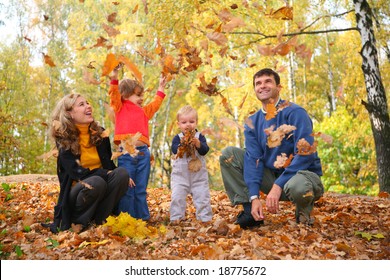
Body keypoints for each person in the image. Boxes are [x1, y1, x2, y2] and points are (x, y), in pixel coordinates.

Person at [219, 68, 324, 229]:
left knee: (298, 186)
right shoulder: (252, 122)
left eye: (268, 81)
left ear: (278, 87)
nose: (262, 86)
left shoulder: (295, 112)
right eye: (258, 83)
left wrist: (278, 185)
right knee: (229, 155)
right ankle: (250, 212)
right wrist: (254, 197)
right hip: (272, 178)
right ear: (255, 89)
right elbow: (254, 160)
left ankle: (303, 215)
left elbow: (305, 154)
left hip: (302, 178)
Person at [42, 93, 129, 233]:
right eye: (81, 104)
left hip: (100, 186)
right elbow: (78, 173)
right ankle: (78, 223)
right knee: (95, 182)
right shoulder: (64, 139)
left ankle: (100, 220)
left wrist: (119, 176)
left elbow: (108, 166)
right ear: (70, 114)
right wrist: (104, 173)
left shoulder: (100, 134)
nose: (88, 106)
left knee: (122, 173)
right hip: (78, 193)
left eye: (87, 103)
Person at [108, 67, 168, 221]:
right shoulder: (119, 107)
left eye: (142, 95)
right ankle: (127, 218)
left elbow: (156, 104)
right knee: (128, 187)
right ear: (125, 95)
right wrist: (114, 76)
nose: (141, 98)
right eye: (138, 95)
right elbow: (113, 94)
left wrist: (161, 88)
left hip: (143, 154)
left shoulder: (143, 111)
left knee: (140, 188)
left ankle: (143, 218)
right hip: (127, 154)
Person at [170, 105, 213, 223]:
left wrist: (198, 144)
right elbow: (174, 150)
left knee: (202, 197)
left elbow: (204, 150)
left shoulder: (200, 137)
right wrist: (181, 145)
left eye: (191, 121)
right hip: (180, 176)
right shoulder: (177, 138)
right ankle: (176, 218)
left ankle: (205, 219)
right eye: (184, 122)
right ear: (178, 124)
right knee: (177, 197)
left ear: (196, 123)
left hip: (198, 177)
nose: (188, 125)